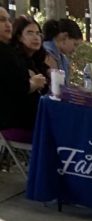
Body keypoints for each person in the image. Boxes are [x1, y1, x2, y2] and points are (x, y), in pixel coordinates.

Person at [0, 8, 46, 143]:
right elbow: (19, 88)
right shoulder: (5, 54)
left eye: (9, 20)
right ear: (20, 36)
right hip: (14, 124)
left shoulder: (9, 52)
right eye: (2, 20)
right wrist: (33, 83)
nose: (8, 24)